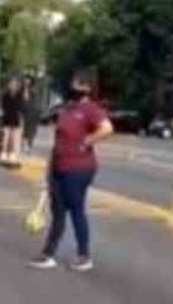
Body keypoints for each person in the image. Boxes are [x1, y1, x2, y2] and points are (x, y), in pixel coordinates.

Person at [28, 71, 113, 272]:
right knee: (58, 211)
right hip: (59, 166)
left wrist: (87, 141)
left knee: (76, 210)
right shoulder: (67, 109)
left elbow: (107, 128)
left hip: (79, 169)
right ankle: (48, 254)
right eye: (72, 82)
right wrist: (49, 169)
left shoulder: (91, 109)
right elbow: (58, 140)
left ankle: (84, 256)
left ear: (86, 88)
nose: (71, 87)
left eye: (76, 84)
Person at [0, 77, 25, 162]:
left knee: (13, 138)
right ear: (9, 85)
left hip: (15, 118)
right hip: (7, 118)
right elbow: (3, 106)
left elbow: (21, 107)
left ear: (17, 86)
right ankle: (4, 153)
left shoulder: (19, 95)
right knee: (6, 137)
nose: (13, 86)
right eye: (11, 84)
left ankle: (12, 153)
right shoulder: (5, 95)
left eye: (15, 85)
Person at [21, 76, 41, 154]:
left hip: (32, 112)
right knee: (27, 130)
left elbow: (26, 98)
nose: (25, 82)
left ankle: (29, 147)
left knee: (30, 130)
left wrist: (26, 88)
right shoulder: (24, 89)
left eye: (27, 80)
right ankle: (26, 146)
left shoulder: (33, 89)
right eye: (25, 80)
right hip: (26, 112)